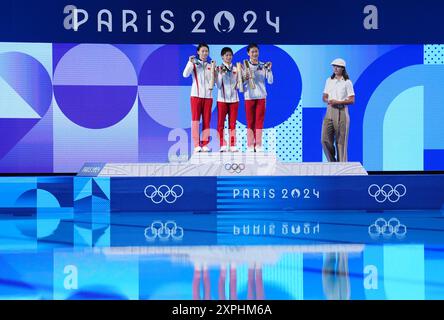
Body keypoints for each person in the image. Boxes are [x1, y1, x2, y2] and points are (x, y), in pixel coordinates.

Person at [321, 58, 355, 162]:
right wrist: (329, 100)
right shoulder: (329, 80)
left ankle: (342, 168)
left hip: (341, 111)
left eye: (338, 66)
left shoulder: (347, 82)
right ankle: (333, 163)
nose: (335, 68)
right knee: (324, 139)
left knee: (341, 142)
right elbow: (324, 96)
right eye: (334, 66)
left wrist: (338, 102)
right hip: (330, 110)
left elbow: (352, 99)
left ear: (342, 68)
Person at [183, 44, 215, 153]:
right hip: (196, 96)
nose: (205, 53)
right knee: (195, 121)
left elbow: (214, 81)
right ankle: (196, 144)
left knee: (207, 121)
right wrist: (189, 62)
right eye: (203, 51)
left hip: (208, 97)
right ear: (198, 52)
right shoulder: (194, 64)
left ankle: (205, 144)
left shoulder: (211, 65)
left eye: (206, 51)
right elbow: (185, 74)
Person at [242, 44, 273, 153]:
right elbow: (241, 83)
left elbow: (270, 81)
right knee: (250, 121)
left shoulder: (263, 65)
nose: (255, 54)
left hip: (261, 97)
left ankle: (258, 144)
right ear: (248, 53)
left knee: (259, 121)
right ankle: (250, 145)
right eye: (252, 52)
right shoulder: (244, 65)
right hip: (249, 96)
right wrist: (246, 77)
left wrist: (269, 70)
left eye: (256, 51)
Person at [216, 47, 240, 152]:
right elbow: (218, 86)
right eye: (226, 55)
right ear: (222, 57)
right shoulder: (218, 68)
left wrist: (244, 78)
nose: (228, 57)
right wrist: (221, 74)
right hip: (222, 100)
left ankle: (233, 144)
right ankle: (222, 144)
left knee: (232, 123)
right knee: (221, 123)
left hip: (234, 100)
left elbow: (239, 85)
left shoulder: (236, 69)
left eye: (230, 55)